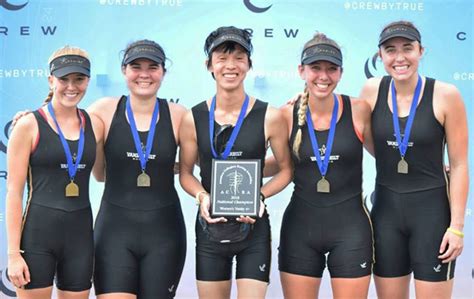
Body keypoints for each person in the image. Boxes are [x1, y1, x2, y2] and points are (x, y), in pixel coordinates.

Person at [179, 26, 292, 299]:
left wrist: (260, 196)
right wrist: (202, 196)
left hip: (254, 229)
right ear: (209, 66)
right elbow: (185, 173)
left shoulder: (270, 116)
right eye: (222, 58)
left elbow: (287, 170)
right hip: (209, 229)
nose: (231, 66)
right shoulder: (192, 117)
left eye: (239, 57)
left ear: (249, 65)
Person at [359, 20, 469, 299]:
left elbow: (458, 164)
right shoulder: (371, 91)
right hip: (385, 214)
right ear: (380, 56)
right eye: (390, 50)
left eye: (407, 48)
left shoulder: (446, 95)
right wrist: (302, 101)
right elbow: (357, 134)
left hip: (431, 215)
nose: (399, 58)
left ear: (421, 51)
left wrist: (456, 227)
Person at [274, 33, 374, 299]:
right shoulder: (286, 114)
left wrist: (433, 164)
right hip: (300, 229)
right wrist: (222, 170)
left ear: (341, 73)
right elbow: (277, 165)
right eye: (315, 68)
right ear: (301, 71)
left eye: (331, 69)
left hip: (351, 229)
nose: (323, 76)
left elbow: (388, 153)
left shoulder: (359, 110)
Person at [87, 39, 187, 299]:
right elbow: (65, 133)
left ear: (163, 72)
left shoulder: (179, 116)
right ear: (124, 70)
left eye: (153, 67)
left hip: (165, 234)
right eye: (136, 66)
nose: (144, 74)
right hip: (114, 233)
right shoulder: (103, 110)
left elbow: (214, 157)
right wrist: (29, 120)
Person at [6, 46, 103, 299]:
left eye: (79, 79)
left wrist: (177, 167)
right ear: (51, 80)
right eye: (64, 79)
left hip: (80, 238)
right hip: (37, 238)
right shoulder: (28, 124)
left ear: (88, 81)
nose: (72, 86)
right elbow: (14, 193)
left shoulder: (95, 123)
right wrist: (13, 254)